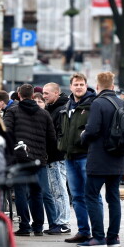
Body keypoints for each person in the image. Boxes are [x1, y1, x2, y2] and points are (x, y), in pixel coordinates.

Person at [3, 83, 60, 236]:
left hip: (19, 159)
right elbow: (52, 139)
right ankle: (38, 227)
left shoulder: (12, 111)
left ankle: (24, 226)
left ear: (19, 95)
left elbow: (6, 134)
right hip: (39, 160)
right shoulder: (44, 114)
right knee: (37, 193)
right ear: (33, 95)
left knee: (20, 192)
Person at [78, 71, 124, 247]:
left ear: (97, 86)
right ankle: (113, 238)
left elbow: (92, 130)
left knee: (90, 195)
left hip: (99, 158)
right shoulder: (121, 102)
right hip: (117, 158)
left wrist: (83, 135)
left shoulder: (98, 103)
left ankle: (98, 237)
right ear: (113, 86)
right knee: (113, 197)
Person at [57, 72, 97, 244]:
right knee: (77, 196)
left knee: (91, 195)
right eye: (76, 84)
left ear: (86, 86)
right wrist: (61, 144)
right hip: (69, 156)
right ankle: (83, 231)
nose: (79, 87)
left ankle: (97, 232)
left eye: (82, 84)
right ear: (71, 87)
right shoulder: (67, 106)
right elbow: (62, 130)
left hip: (86, 156)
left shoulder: (93, 105)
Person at [43, 82, 72, 235]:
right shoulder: (54, 108)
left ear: (56, 93)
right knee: (56, 190)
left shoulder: (60, 110)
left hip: (57, 156)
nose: (44, 95)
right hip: (55, 156)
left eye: (47, 93)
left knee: (59, 190)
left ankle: (63, 222)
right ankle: (60, 221)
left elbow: (58, 136)